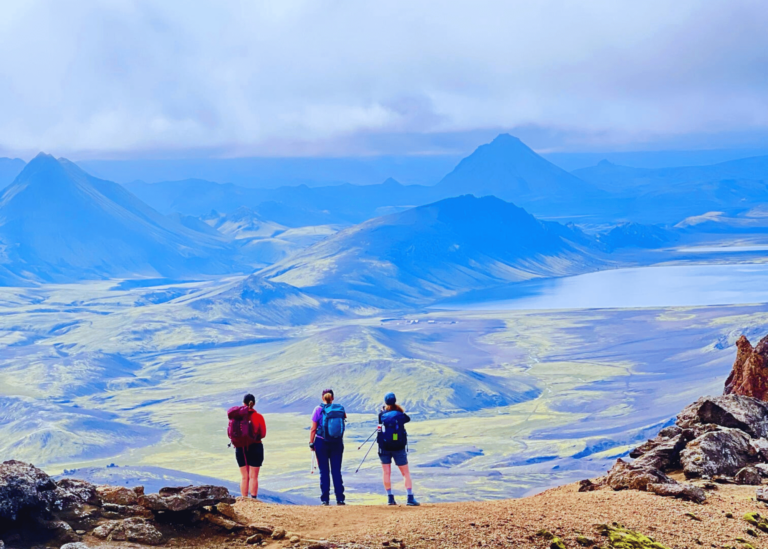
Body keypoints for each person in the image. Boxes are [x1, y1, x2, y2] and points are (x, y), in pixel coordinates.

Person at [377, 392, 419, 506]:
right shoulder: (400, 414)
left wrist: (383, 411)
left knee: (386, 472)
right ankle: (410, 498)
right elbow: (407, 418)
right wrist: (399, 410)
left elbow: (379, 427)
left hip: (384, 447)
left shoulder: (382, 415)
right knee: (405, 473)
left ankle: (390, 498)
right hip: (399, 446)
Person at [309, 389, 346, 506]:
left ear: (322, 397)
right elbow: (344, 419)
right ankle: (340, 499)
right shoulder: (339, 409)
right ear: (332, 398)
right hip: (337, 443)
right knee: (336, 470)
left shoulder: (318, 410)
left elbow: (313, 428)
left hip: (321, 442)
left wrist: (311, 442)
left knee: (324, 471)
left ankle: (325, 500)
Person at [227, 393, 267, 499]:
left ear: (243, 403)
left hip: (240, 448)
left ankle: (244, 499)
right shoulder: (258, 417)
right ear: (253, 404)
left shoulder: (236, 417)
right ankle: (253, 499)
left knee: (244, 477)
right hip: (255, 447)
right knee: (253, 476)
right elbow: (263, 434)